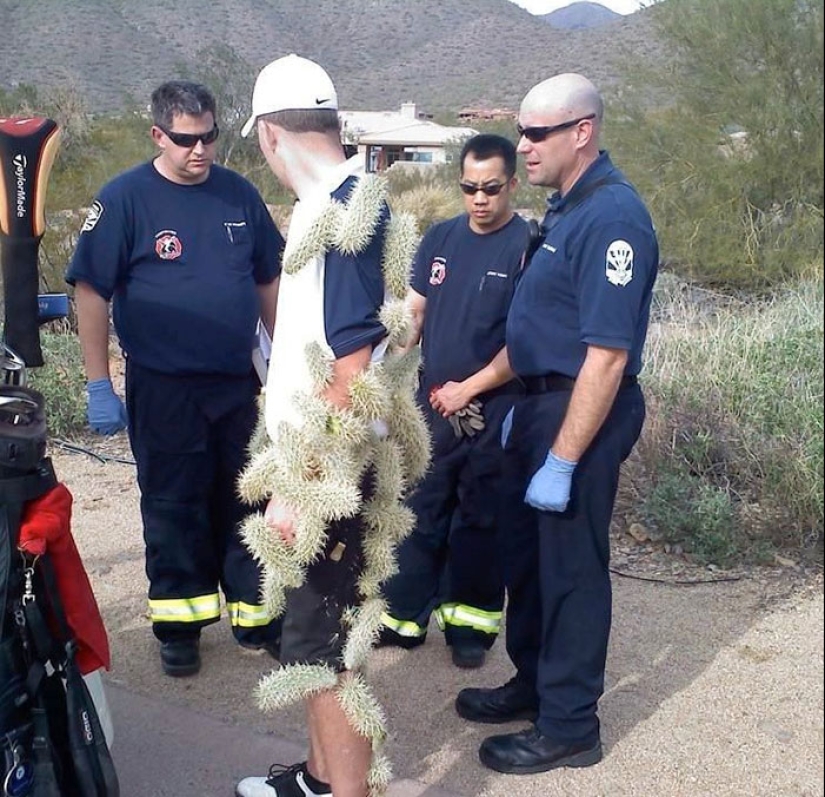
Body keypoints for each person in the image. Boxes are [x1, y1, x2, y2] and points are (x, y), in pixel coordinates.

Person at [232, 54, 428, 797]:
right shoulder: (344, 205)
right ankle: (320, 781)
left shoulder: (344, 217)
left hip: (330, 475)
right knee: (311, 641)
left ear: (270, 135)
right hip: (325, 463)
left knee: (329, 653)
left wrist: (301, 488)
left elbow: (348, 373)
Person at [455, 73, 659, 774]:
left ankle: (570, 724)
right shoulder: (567, 211)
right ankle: (535, 682)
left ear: (583, 131)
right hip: (537, 405)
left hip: (581, 409)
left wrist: (564, 460)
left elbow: (607, 355)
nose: (523, 146)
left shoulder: (613, 218)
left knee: (569, 569)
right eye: (521, 131)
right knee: (529, 559)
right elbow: (539, 329)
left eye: (537, 132)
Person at [65, 80, 285, 678]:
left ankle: (256, 615)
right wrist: (98, 383)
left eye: (209, 136)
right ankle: (180, 627)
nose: (200, 150)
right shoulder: (125, 199)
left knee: (247, 498)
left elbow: (268, 279)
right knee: (173, 505)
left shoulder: (238, 195)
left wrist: (285, 363)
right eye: (186, 139)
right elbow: (91, 290)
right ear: (158, 135)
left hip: (236, 382)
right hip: (164, 387)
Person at [379, 134, 528, 669]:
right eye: (470, 188)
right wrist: (393, 377)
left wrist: (470, 388)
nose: (479, 199)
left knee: (479, 519)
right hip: (431, 406)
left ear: (512, 184)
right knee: (421, 507)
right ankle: (404, 617)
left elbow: (526, 342)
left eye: (491, 188)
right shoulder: (440, 238)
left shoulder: (528, 246)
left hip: (492, 408)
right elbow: (415, 314)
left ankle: (469, 627)